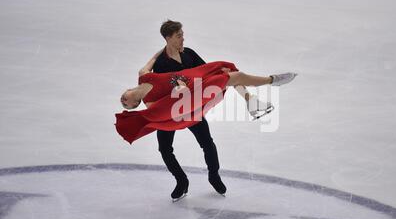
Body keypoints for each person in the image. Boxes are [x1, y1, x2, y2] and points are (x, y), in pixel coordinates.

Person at [116, 61, 297, 200]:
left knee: (207, 142)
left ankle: (214, 176)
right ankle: (182, 181)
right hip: (176, 112)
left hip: (194, 104)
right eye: (179, 36)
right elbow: (162, 108)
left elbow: (204, 70)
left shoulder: (184, 55)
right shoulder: (151, 94)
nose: (182, 39)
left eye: (181, 35)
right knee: (164, 149)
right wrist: (180, 89)